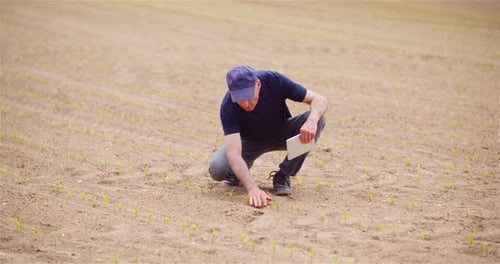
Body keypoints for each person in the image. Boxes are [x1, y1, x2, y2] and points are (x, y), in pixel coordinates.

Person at [208, 65, 328, 208]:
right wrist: (252, 188)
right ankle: (238, 172)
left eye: (248, 96)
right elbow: (233, 153)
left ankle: (283, 174)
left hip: (281, 132)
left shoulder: (274, 80)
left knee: (319, 119)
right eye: (240, 99)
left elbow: (319, 100)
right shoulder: (228, 106)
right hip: (250, 141)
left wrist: (312, 121)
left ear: (258, 84)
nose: (245, 104)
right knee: (217, 169)